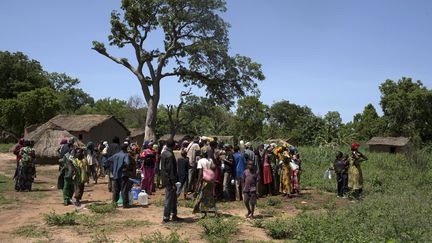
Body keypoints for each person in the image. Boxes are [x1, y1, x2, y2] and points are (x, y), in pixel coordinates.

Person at [160, 139, 182, 223]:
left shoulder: (164, 153)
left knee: (173, 198)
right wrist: (173, 183)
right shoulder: (169, 155)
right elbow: (170, 170)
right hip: (170, 180)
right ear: (173, 145)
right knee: (169, 199)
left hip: (166, 179)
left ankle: (174, 215)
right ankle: (166, 218)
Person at [193, 148, 218, 217]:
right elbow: (214, 167)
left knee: (202, 195)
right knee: (210, 195)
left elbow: (200, 173)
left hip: (204, 181)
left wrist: (198, 182)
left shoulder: (200, 161)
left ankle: (202, 211)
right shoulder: (210, 160)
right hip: (211, 180)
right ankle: (213, 211)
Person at [107, 144, 130, 208]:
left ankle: (114, 203)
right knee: (124, 189)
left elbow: (108, 160)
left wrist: (113, 167)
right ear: (125, 149)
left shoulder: (115, 155)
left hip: (115, 175)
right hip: (123, 175)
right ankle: (125, 204)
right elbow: (127, 163)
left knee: (116, 190)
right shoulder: (125, 155)